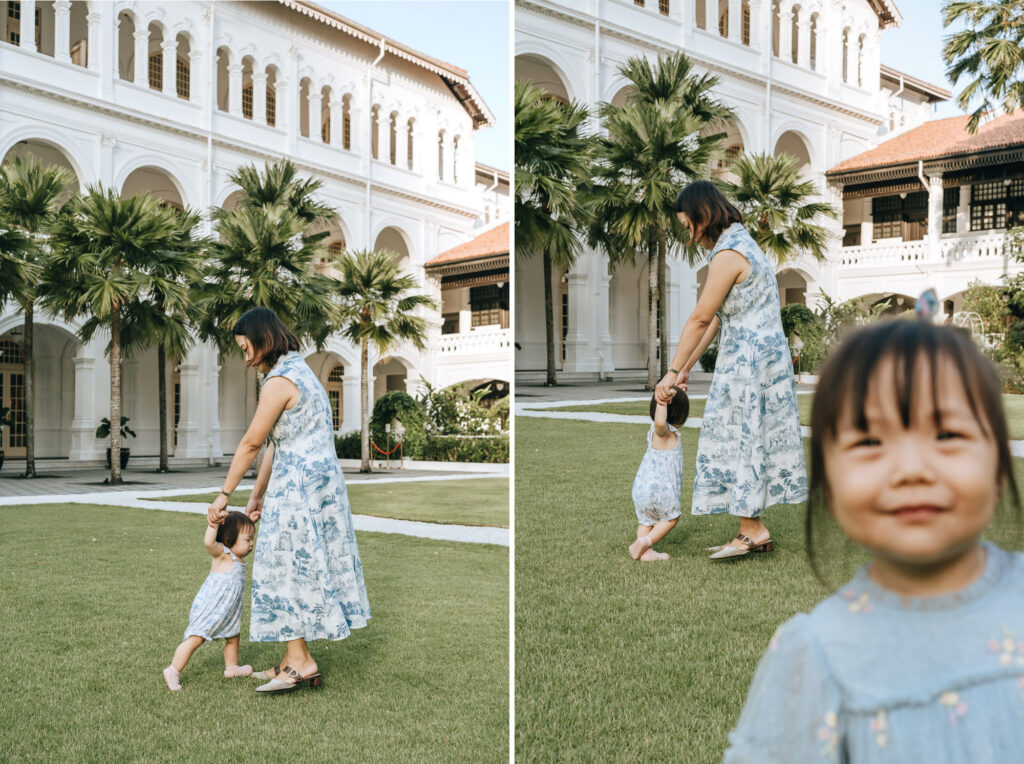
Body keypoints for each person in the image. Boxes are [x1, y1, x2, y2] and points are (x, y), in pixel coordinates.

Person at [724, 319, 1024, 762]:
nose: (911, 469)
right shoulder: (817, 656)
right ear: (829, 484)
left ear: (999, 468)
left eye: (946, 435)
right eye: (870, 441)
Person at [206, 307, 370, 693]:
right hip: (317, 484)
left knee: (284, 566)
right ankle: (292, 657)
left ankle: (300, 662)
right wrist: (256, 495)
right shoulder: (303, 373)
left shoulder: (279, 381)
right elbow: (278, 443)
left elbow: (252, 442)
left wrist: (224, 495)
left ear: (262, 340)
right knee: (297, 563)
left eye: (246, 347)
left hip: (299, 486)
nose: (246, 357)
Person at [656, 181, 806, 559]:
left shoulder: (728, 254)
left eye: (688, 224)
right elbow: (718, 318)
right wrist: (687, 367)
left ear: (702, 215)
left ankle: (753, 530)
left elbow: (699, 318)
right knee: (746, 436)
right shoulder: (744, 243)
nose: (689, 234)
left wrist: (670, 373)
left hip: (749, 361)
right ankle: (750, 529)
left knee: (742, 436)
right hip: (759, 358)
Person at [163, 511, 256, 691]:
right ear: (228, 539)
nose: (252, 543)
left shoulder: (237, 557)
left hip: (228, 611)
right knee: (196, 638)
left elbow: (239, 530)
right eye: (248, 539)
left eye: (252, 539)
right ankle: (173, 670)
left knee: (233, 636)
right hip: (212, 608)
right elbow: (209, 542)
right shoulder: (223, 555)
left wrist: (249, 521)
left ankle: (232, 667)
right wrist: (213, 525)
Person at [629, 387, 688, 561]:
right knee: (671, 518)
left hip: (641, 488)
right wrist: (663, 401)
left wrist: (674, 386)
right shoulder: (664, 432)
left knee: (646, 521)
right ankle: (645, 542)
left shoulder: (655, 433)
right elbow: (661, 422)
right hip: (660, 490)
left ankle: (645, 553)